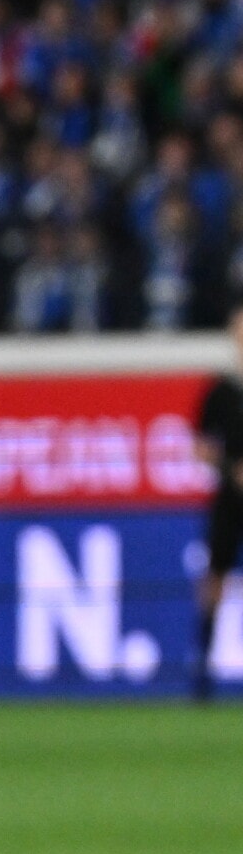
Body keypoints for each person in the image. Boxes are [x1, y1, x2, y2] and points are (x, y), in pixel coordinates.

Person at [194, 299, 243, 701]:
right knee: (216, 576)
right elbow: (201, 447)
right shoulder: (221, 391)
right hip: (230, 497)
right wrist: (232, 469)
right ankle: (203, 666)